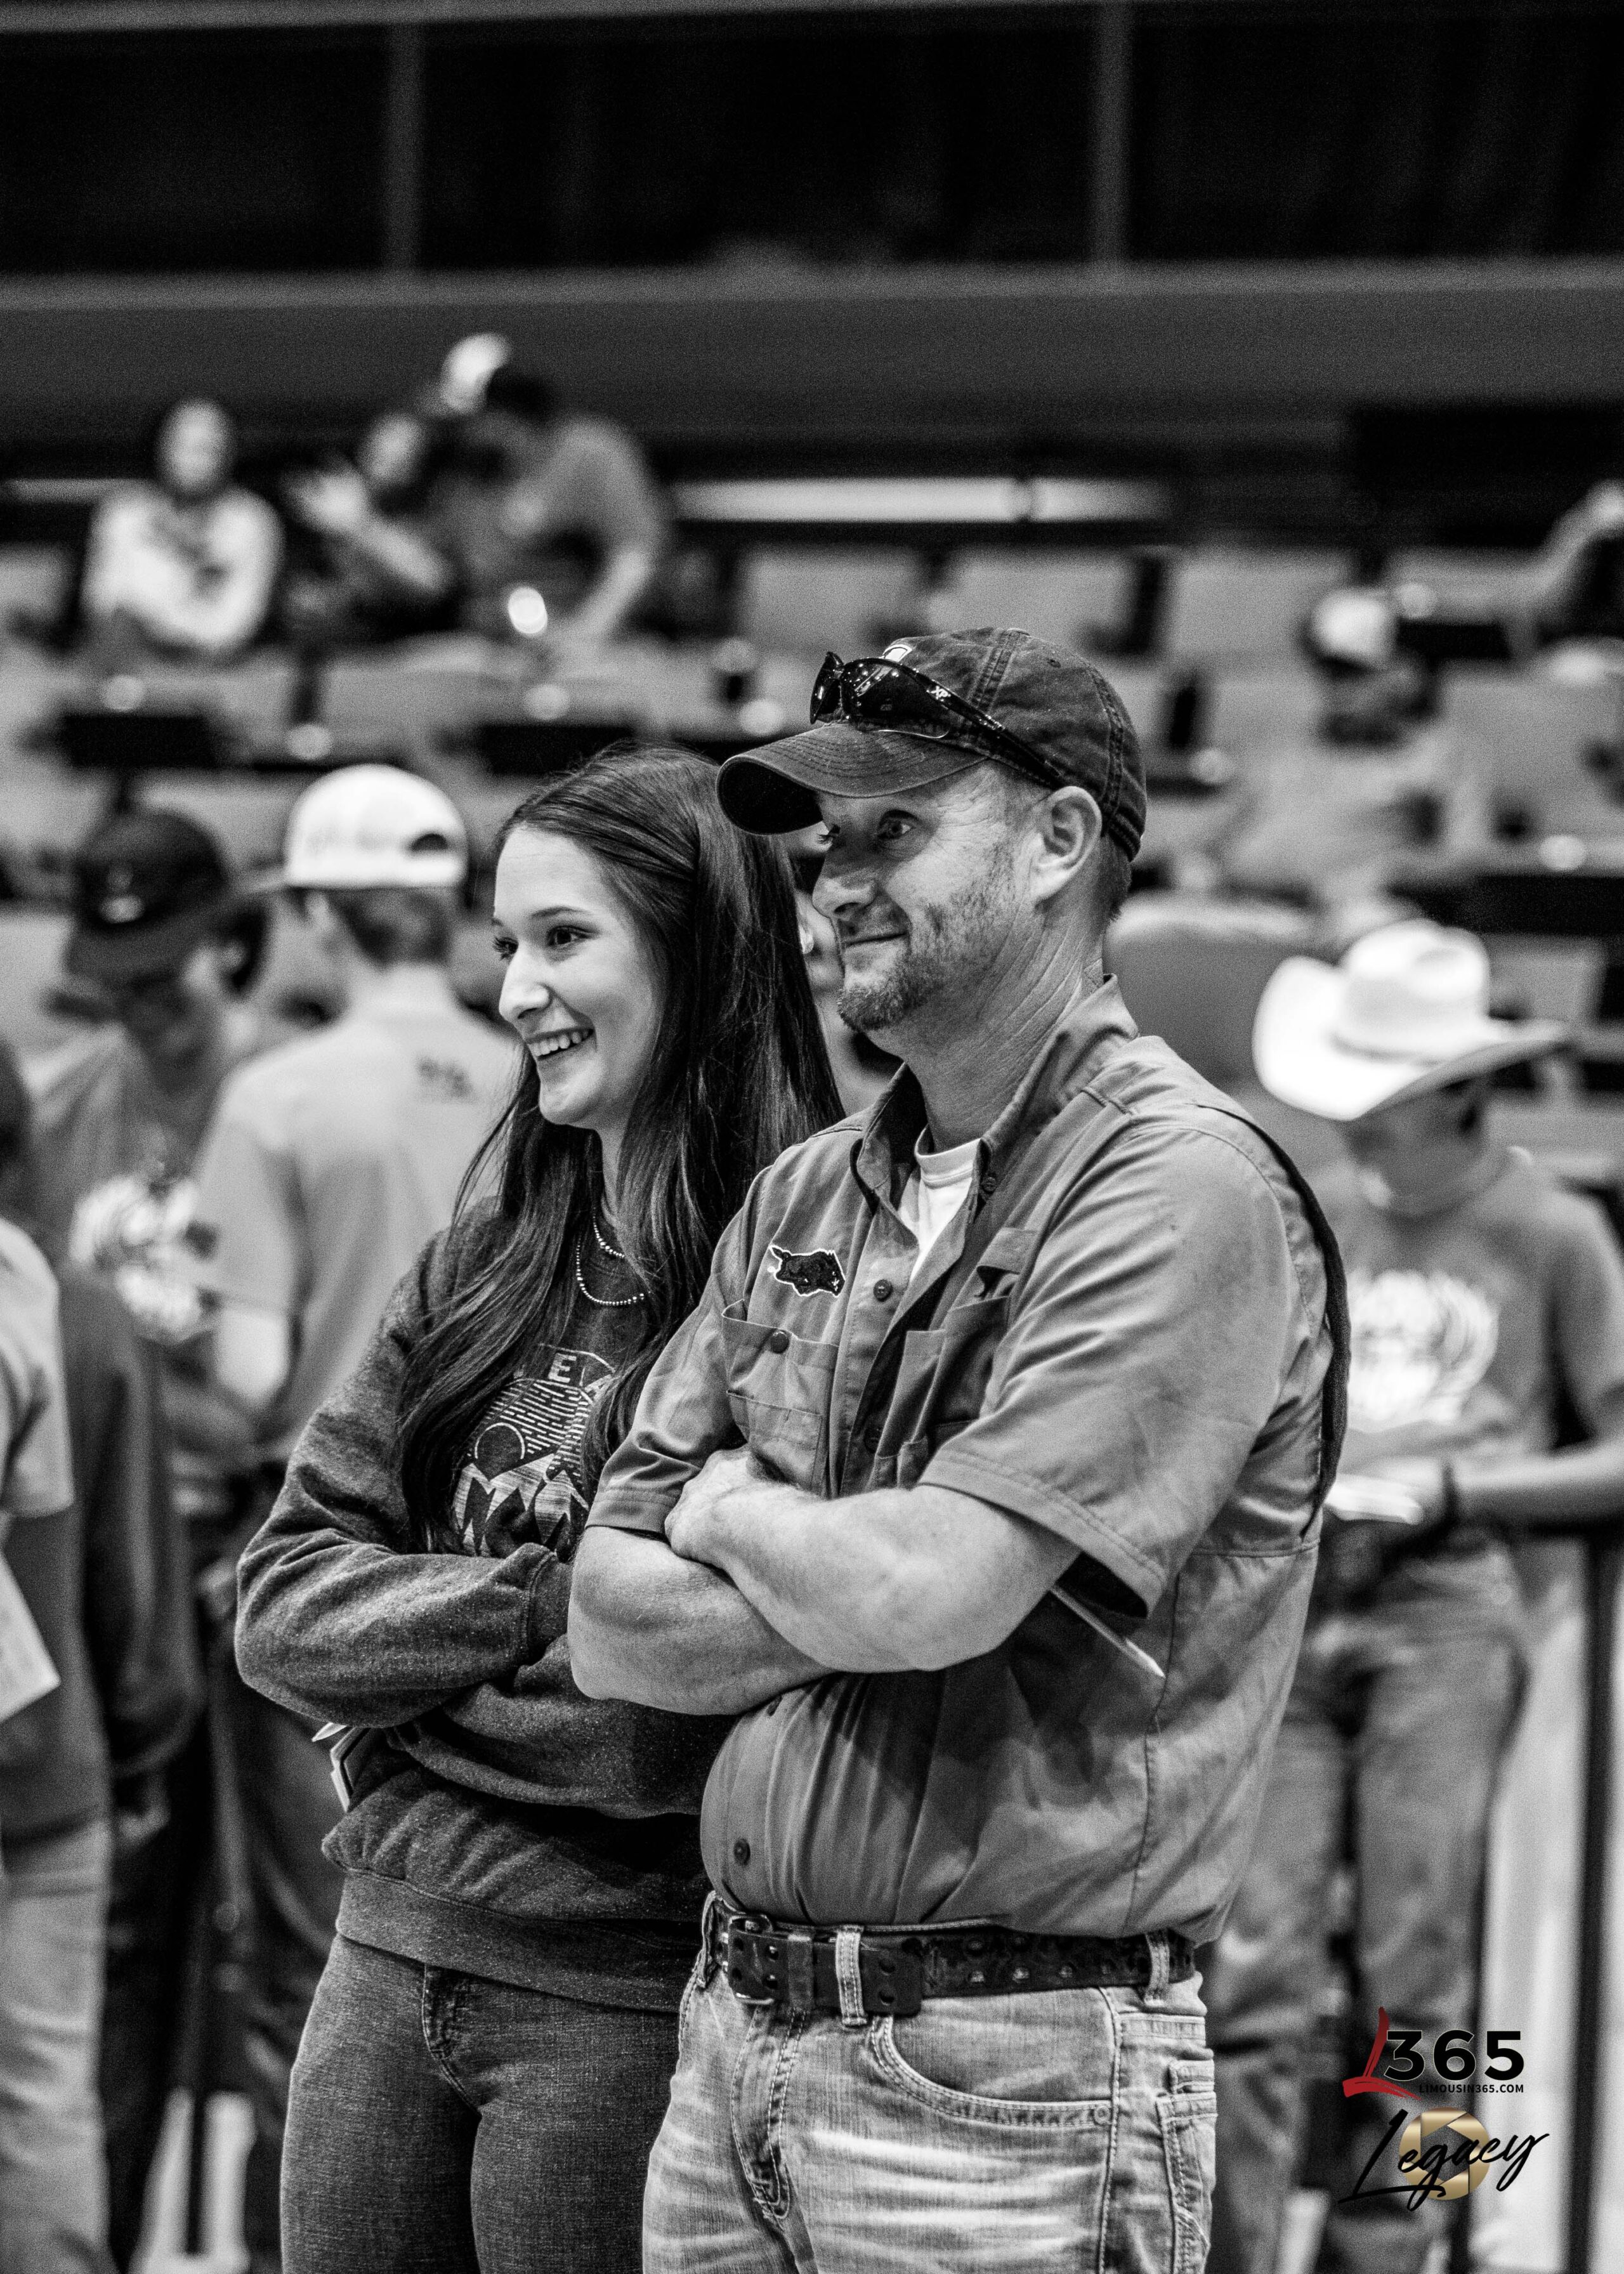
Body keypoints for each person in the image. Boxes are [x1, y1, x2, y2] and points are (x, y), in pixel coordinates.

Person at [567, 630, 1349, 2274]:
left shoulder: (1179, 1189)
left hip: (1017, 2073)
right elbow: (604, 1620)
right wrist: (850, 1574)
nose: (835, 885)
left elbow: (934, 1593)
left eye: (896, 832)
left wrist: (721, 1506)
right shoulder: (800, 1194)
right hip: (733, 2035)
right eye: (826, 846)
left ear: (1061, 841)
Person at [233, 747, 842, 2274]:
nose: (513, 990)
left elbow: (659, 1724)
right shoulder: (481, 1261)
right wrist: (531, 1601)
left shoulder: (795, 1288)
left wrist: (407, 1710)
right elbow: (282, 1603)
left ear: (697, 953)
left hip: (621, 1998)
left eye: (562, 939)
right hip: (377, 1960)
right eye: (503, 942)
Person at [1203, 919, 1624, 2274]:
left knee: (1422, 1966)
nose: (1359, 1118)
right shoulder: (1315, 1208)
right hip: (1297, 1597)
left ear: (1454, 1088)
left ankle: (1402, 2246)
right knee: (1253, 1960)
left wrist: (1450, 1495)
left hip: (1444, 1604)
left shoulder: (1553, 1233)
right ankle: (1236, 2242)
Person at [184, 765, 513, 2274]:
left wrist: (158, 1338)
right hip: (518, 1573)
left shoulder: (277, 1095)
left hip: (334, 1581)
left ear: (314, 916)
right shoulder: (541, 1067)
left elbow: (257, 1381)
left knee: (313, 1972)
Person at [27, 805, 279, 2267]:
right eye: (116, 982)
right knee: (118, 1944)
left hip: (264, 1559)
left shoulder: (288, 1100)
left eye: (166, 978)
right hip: (124, 1580)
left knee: (287, 1953)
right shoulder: (67, 1111)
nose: (141, 1009)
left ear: (231, 947)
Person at [0, 1043, 199, 2274]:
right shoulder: (69, 1306)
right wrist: (141, 1748)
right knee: (41, 2093)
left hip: (48, 1761)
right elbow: (129, 1568)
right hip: (45, 1767)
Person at [1203, 587, 1491, 911]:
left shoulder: (1440, 754)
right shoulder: (1277, 750)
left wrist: (1387, 877)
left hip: (1353, 918)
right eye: (1330, 674)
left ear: (1405, 676)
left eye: (1357, 674)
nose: (1339, 690)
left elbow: (1466, 860)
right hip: (1245, 911)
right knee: (1145, 921)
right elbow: (1208, 843)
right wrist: (1198, 867)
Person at [431, 365, 666, 646]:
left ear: (505, 415)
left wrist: (588, 629)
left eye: (471, 420)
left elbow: (635, 556)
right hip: (485, 646)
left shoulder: (593, 453)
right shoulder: (466, 474)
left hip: (591, 644)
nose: (461, 432)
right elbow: (445, 570)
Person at [82, 398, 283, 666]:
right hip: (128, 665)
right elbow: (104, 607)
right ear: (160, 446)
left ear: (229, 453)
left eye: (206, 448)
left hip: (214, 673)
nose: (192, 460)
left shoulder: (253, 522)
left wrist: (153, 619)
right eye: (181, 445)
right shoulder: (124, 513)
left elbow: (235, 629)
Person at [282, 414, 459, 646]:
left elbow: (432, 585)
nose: (391, 453)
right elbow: (301, 594)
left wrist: (359, 524)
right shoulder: (325, 502)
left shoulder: (434, 516)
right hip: (337, 654)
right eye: (382, 442)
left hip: (412, 655)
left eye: (406, 447)